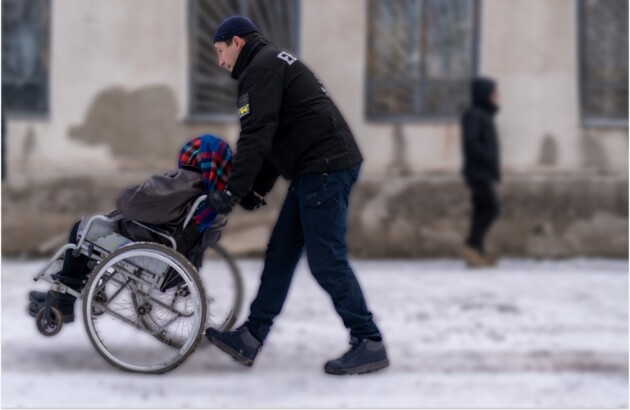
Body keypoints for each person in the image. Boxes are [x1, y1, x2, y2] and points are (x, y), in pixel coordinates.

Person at [203, 15, 388, 376]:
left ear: (237, 42)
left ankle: (368, 340)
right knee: (282, 253)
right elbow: (274, 137)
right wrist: (257, 187)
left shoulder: (260, 70)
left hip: (324, 169)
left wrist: (232, 190)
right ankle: (252, 336)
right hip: (315, 169)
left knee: (326, 260)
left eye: (220, 50)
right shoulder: (269, 63)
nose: (219, 60)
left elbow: (256, 138)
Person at [28, 134, 233, 322]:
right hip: (173, 255)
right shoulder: (216, 198)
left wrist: (133, 193)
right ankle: (69, 291)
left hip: (148, 245)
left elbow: (133, 204)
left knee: (82, 228)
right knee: (94, 232)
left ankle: (63, 301)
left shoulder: (186, 183)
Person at [460, 77, 501, 268]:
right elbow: (472, 142)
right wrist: (488, 159)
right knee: (492, 208)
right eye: (493, 93)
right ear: (485, 94)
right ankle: (471, 245)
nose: (496, 97)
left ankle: (477, 252)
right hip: (477, 172)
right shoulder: (475, 115)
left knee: (481, 211)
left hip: (482, 172)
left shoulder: (482, 114)